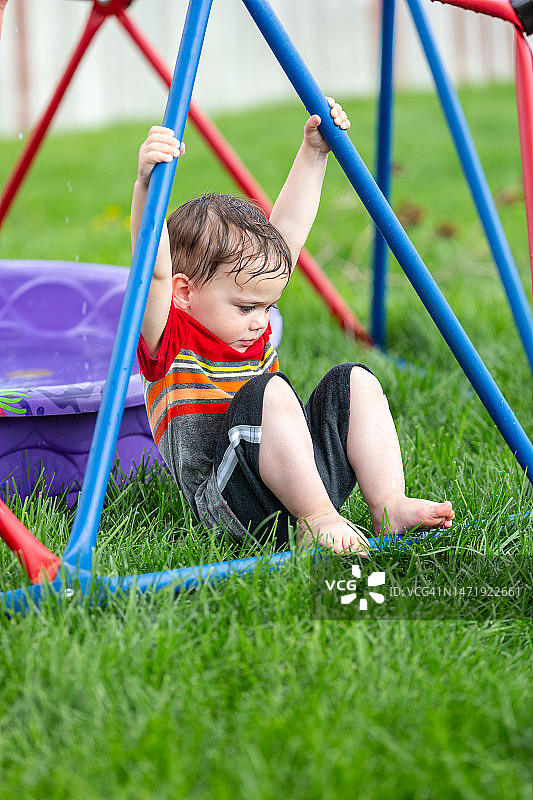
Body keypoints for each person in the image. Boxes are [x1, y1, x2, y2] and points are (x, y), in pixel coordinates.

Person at [131, 98, 454, 556]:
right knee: (271, 392)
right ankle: (318, 519)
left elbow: (286, 237)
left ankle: (389, 504)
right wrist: (147, 186)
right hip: (228, 502)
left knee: (355, 381)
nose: (261, 321)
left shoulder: (252, 321)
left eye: (268, 306)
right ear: (185, 293)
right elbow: (154, 271)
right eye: (246, 307)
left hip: (292, 479)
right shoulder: (169, 338)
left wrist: (314, 152)